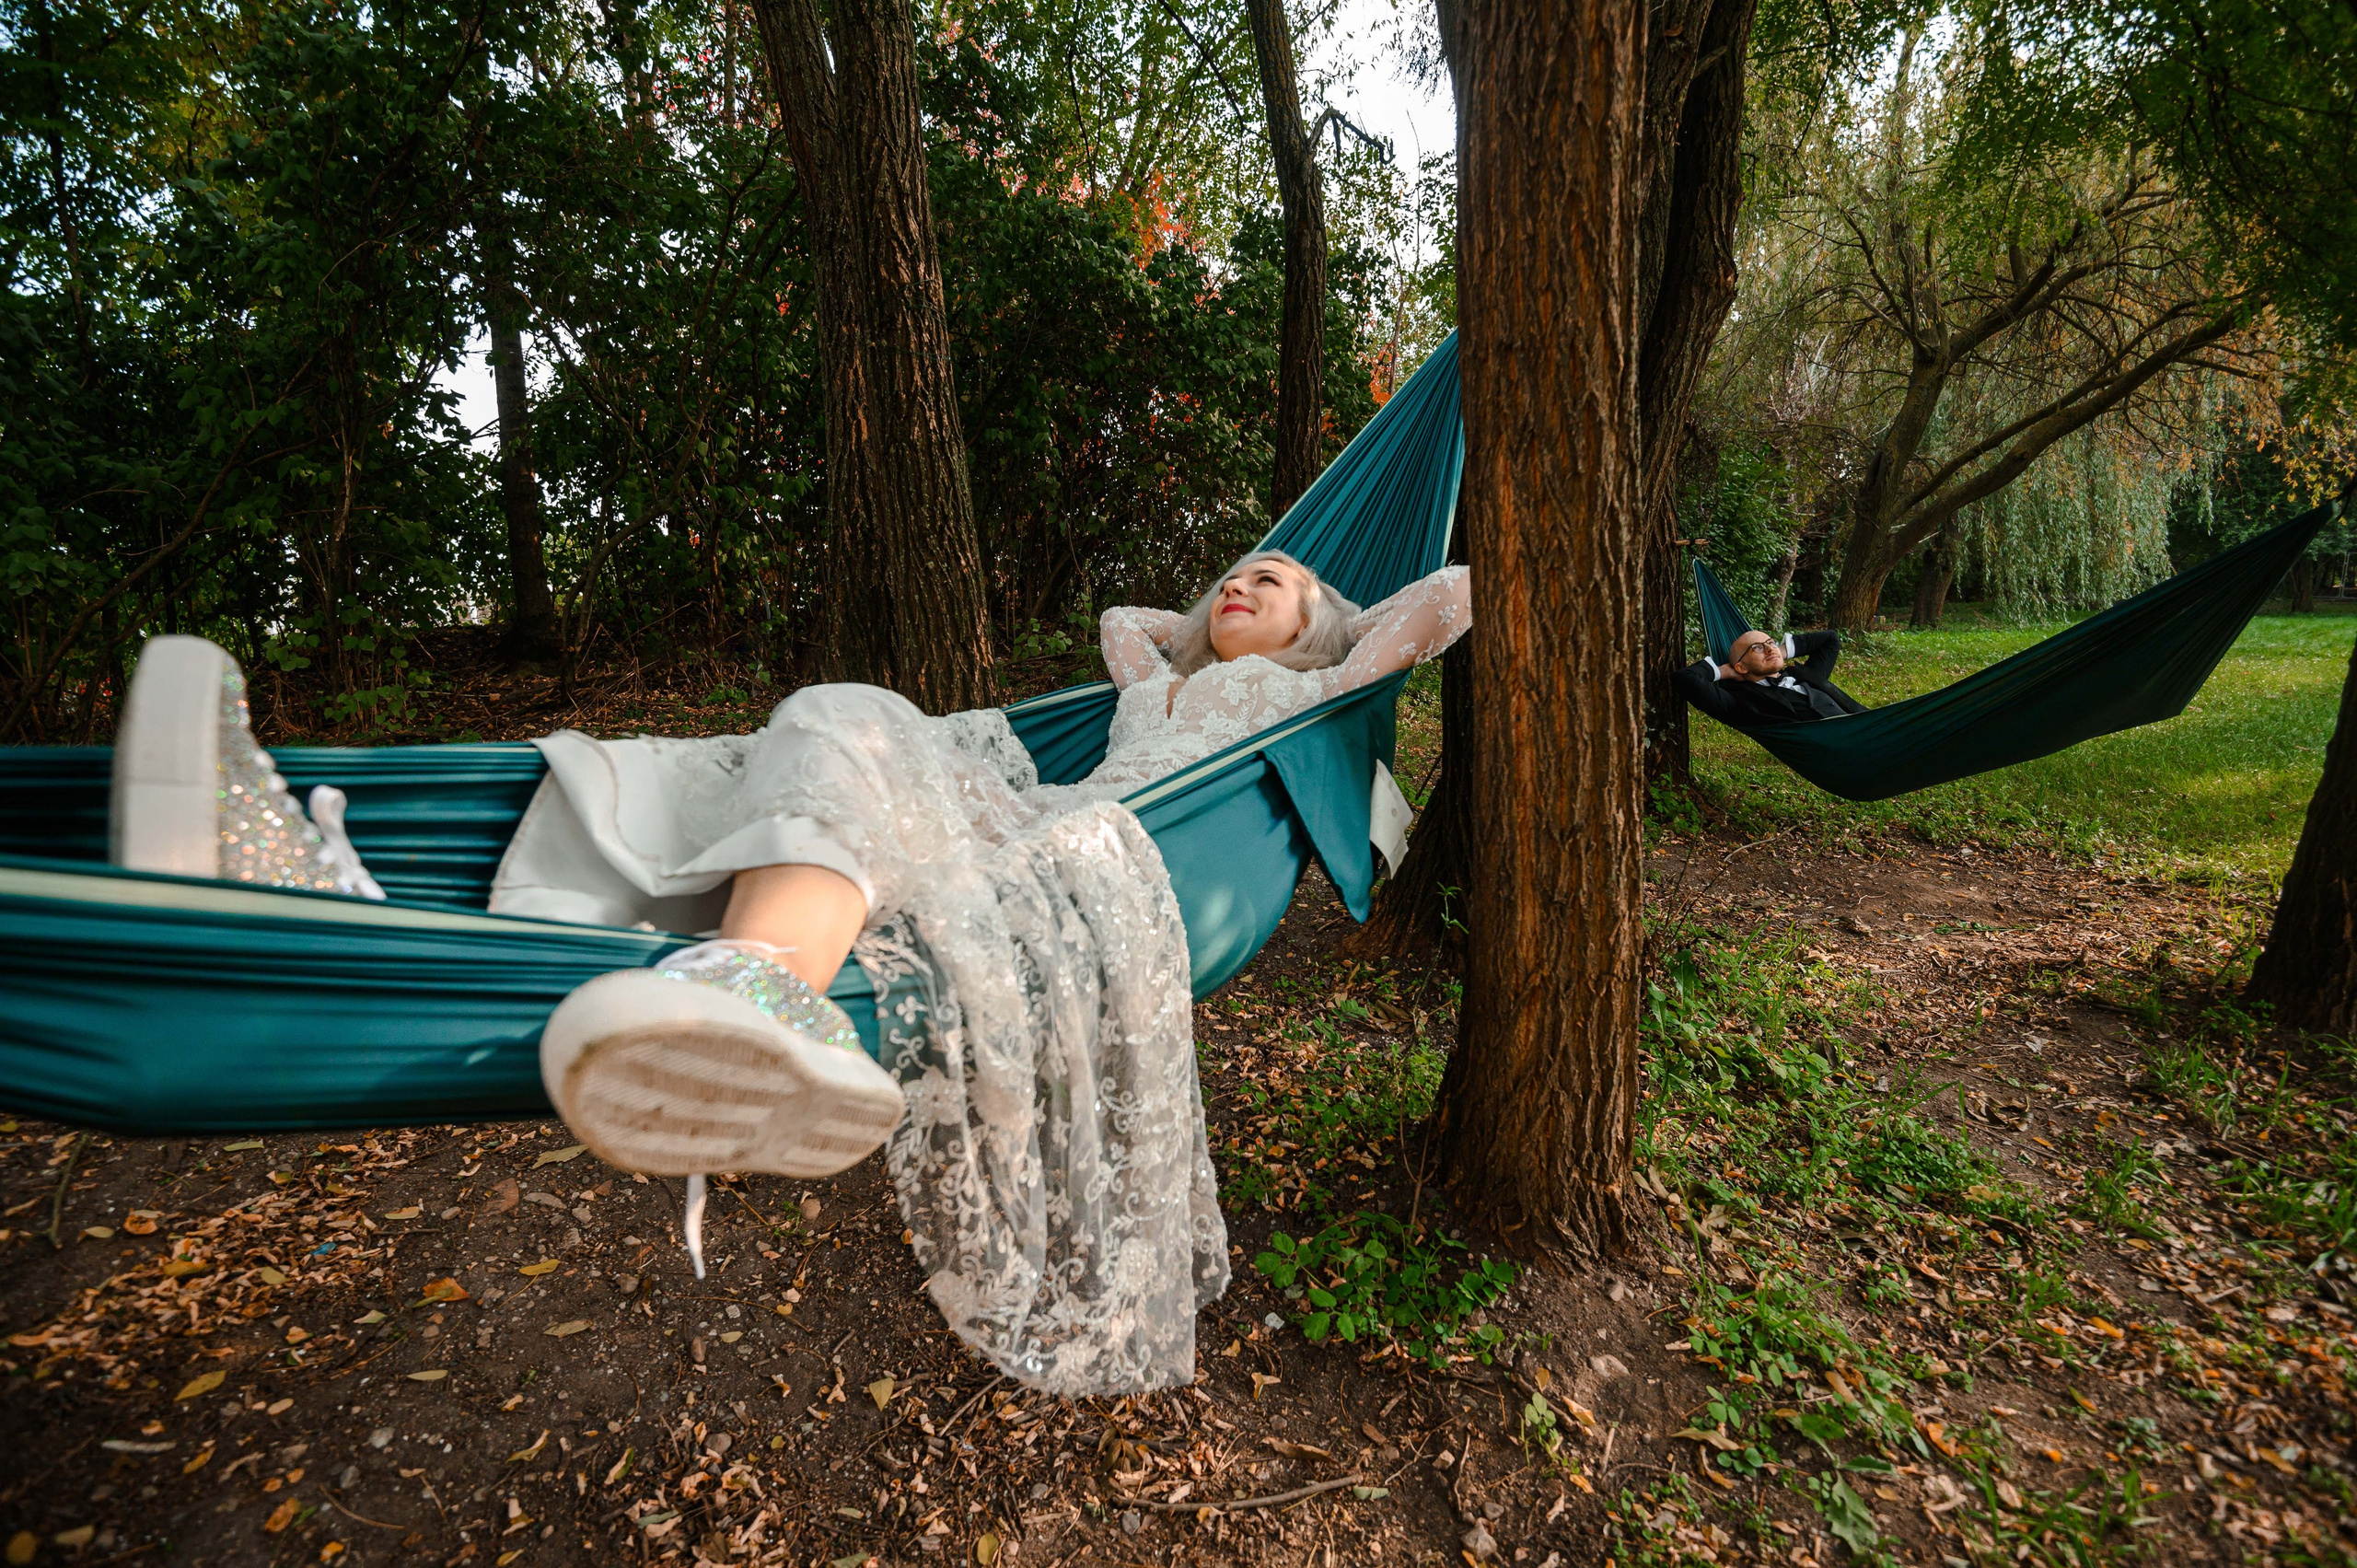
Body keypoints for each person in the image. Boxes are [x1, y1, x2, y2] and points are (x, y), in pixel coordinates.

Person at [107, 550, 1469, 1394]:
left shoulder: (1306, 695)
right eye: (1229, 568)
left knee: (845, 730)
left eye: (1273, 580)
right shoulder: (1148, 679)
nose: (1239, 580)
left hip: (1103, 851)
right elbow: (1131, 622)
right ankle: (340, 890)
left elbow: (1445, 600)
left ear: (1317, 629)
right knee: (814, 730)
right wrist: (1201, 624)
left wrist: (1337, 636)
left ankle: (752, 977)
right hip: (1036, 809)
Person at [1673, 627, 1865, 726]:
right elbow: (1685, 678)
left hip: (1871, 723)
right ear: (1741, 667)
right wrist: (1725, 671)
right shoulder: (1741, 704)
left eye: (1769, 642)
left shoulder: (1807, 674)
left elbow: (1830, 639)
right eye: (1756, 648)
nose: (1768, 648)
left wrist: (1779, 651)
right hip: (1845, 746)